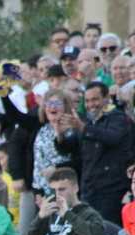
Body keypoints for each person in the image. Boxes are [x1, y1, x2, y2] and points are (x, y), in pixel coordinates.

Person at [56, 81, 132, 225]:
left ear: (106, 98)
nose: (91, 104)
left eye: (95, 99)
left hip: (112, 190)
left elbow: (112, 138)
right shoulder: (87, 122)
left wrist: (82, 127)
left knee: (108, 234)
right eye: (88, 101)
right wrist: (59, 134)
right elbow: (70, 149)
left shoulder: (118, 118)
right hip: (89, 189)